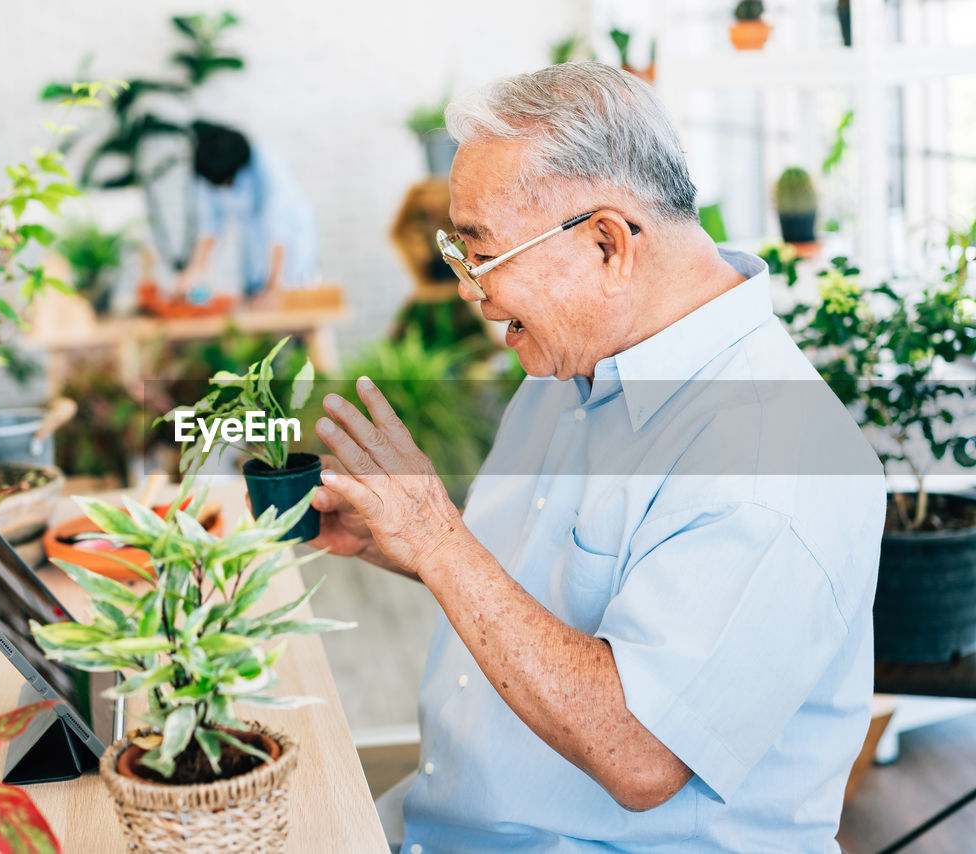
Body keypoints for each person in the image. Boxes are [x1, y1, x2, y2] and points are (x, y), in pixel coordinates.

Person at [310, 62, 885, 853]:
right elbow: (533, 590)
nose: (470, 289)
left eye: (480, 253)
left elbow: (643, 752)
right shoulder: (571, 363)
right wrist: (400, 541)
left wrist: (440, 540)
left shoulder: (770, 460)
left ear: (607, 243)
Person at [174, 121, 319, 306]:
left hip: (293, 247)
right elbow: (209, 224)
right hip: (255, 247)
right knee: (255, 300)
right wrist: (193, 273)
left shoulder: (268, 161)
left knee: (290, 307)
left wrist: (273, 287)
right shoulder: (206, 168)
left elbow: (279, 226)